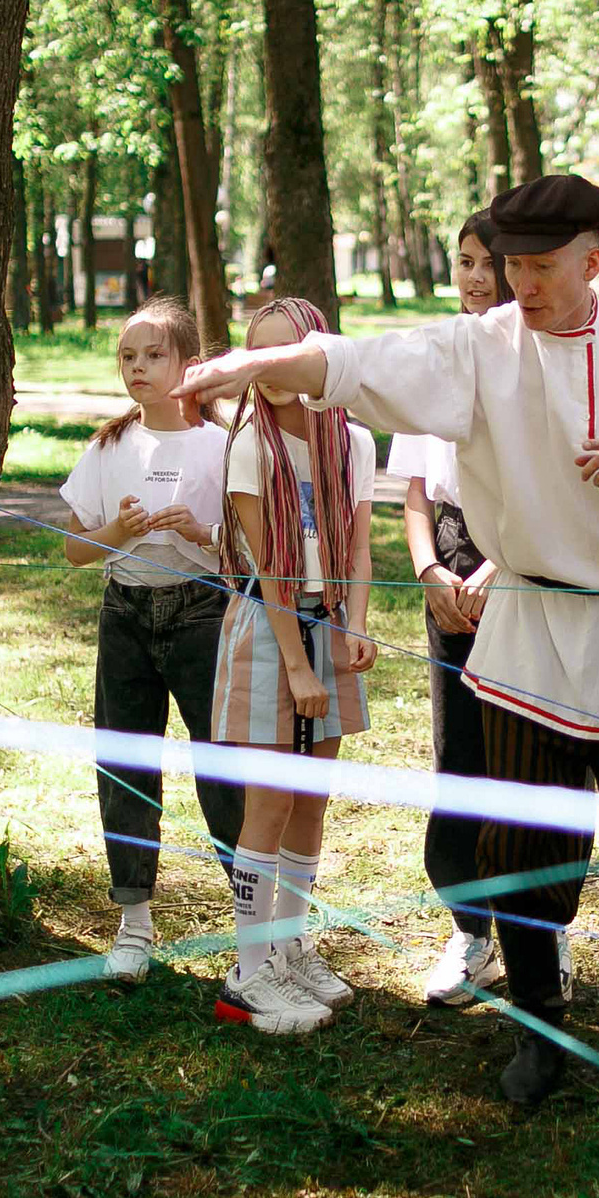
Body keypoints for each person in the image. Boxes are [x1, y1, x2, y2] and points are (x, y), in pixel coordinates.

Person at [182, 173, 599, 1105]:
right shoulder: (479, 348)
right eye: (513, 265)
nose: (523, 284)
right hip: (527, 627)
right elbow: (358, 365)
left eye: (542, 267)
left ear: (593, 261)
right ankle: (538, 1028)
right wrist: (250, 368)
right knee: (518, 845)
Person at [208, 296, 379, 1034]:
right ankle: (250, 972)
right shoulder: (249, 444)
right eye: (261, 358)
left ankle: (290, 945)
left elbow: (361, 544)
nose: (274, 372)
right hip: (270, 626)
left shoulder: (354, 441)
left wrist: (357, 627)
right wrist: (298, 666)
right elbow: (272, 570)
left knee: (313, 798)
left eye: (288, 355)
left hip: (329, 623)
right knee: (271, 803)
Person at [59, 300, 241, 981]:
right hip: (126, 614)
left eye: (154, 355)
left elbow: (249, 551)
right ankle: (133, 920)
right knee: (124, 760)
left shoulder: (223, 447)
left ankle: (257, 921)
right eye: (128, 357)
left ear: (188, 365)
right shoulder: (109, 446)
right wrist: (120, 534)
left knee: (222, 763)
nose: (138, 368)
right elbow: (77, 547)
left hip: (202, 615)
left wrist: (200, 532)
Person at [388, 212, 511, 1005]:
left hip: (523, 569)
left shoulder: (535, 360)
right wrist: (433, 568)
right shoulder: (434, 357)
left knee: (527, 760)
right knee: (460, 756)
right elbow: (414, 494)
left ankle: (545, 935)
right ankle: (471, 934)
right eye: (463, 261)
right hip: (450, 571)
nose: (472, 277)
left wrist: (503, 567)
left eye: (487, 263)